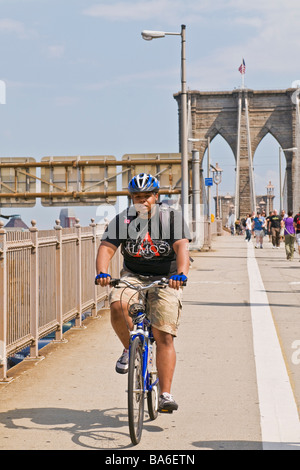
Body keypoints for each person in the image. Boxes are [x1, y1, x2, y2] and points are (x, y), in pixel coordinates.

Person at [95, 173, 191, 413]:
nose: (142, 201)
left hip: (166, 277)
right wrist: (102, 272)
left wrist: (180, 273)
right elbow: (107, 248)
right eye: (137, 197)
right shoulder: (123, 220)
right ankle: (130, 348)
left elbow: (182, 247)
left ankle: (166, 394)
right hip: (133, 274)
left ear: (156, 197)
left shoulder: (171, 218)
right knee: (117, 304)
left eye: (147, 196)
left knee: (163, 335)